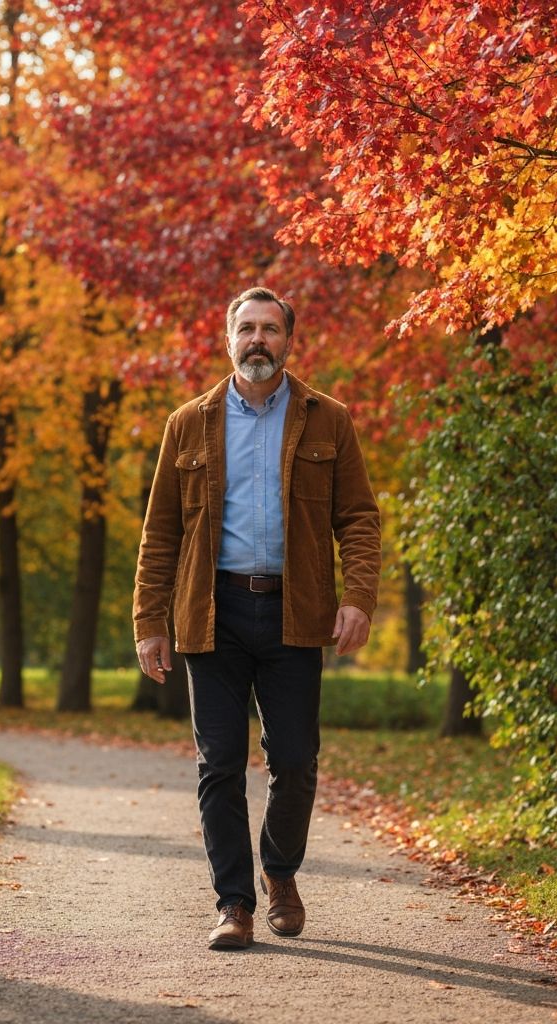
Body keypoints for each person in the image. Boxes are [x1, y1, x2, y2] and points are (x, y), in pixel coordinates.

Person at [133, 285, 381, 950]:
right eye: (248, 328)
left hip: (296, 612)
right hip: (211, 612)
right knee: (218, 764)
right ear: (228, 338)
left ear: (290, 341)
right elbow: (160, 533)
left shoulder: (327, 419)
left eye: (271, 329)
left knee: (295, 762)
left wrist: (358, 596)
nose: (259, 340)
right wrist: (148, 621)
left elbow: (358, 517)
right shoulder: (189, 422)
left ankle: (278, 870)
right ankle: (234, 904)